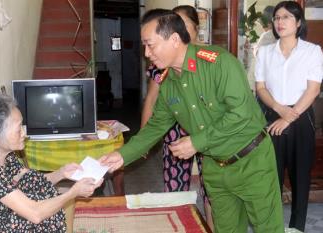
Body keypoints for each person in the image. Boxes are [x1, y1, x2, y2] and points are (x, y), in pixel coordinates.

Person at [100, 8, 284, 233]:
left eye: (151, 44)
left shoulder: (219, 63)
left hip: (252, 162)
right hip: (215, 167)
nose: (146, 53)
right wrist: (121, 155)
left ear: (174, 39)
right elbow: (156, 126)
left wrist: (196, 142)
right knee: (227, 229)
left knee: (268, 229)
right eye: (144, 46)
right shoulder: (168, 82)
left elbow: (241, 114)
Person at [0, 90, 102, 232]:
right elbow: (35, 214)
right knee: (44, 213)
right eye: (18, 130)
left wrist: (62, 173)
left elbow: (32, 180)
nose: (24, 133)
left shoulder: (3, 154)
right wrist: (73, 192)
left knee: (44, 194)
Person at [141, 5, 214, 231]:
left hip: (207, 131)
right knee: (175, 187)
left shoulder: (211, 58)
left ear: (195, 27)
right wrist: (144, 138)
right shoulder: (161, 61)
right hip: (174, 129)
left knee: (212, 186)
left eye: (184, 25)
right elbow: (152, 99)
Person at [255, 1, 323, 232]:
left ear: (298, 22)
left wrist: (288, 117)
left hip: (301, 117)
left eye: (286, 17)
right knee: (270, 175)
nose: (280, 22)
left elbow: (313, 89)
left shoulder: (312, 51)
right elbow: (260, 88)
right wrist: (278, 108)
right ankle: (272, 226)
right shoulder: (264, 51)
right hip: (272, 115)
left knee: (300, 177)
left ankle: (298, 227)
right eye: (276, 18)